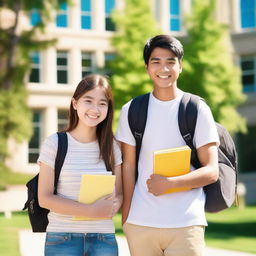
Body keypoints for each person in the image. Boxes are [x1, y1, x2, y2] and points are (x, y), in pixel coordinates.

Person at [116, 35, 219, 256]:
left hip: (186, 223)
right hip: (141, 223)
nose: (164, 68)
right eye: (156, 61)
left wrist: (170, 183)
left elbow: (212, 171)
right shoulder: (131, 109)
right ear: (147, 68)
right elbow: (128, 166)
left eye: (171, 61)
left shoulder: (197, 109)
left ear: (180, 67)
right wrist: (127, 215)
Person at [38, 74, 122, 256]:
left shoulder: (113, 147)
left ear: (108, 108)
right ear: (75, 103)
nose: (95, 109)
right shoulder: (55, 143)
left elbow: (120, 194)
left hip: (103, 239)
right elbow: (44, 198)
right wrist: (91, 210)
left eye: (102, 103)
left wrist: (115, 204)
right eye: (88, 101)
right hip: (62, 238)